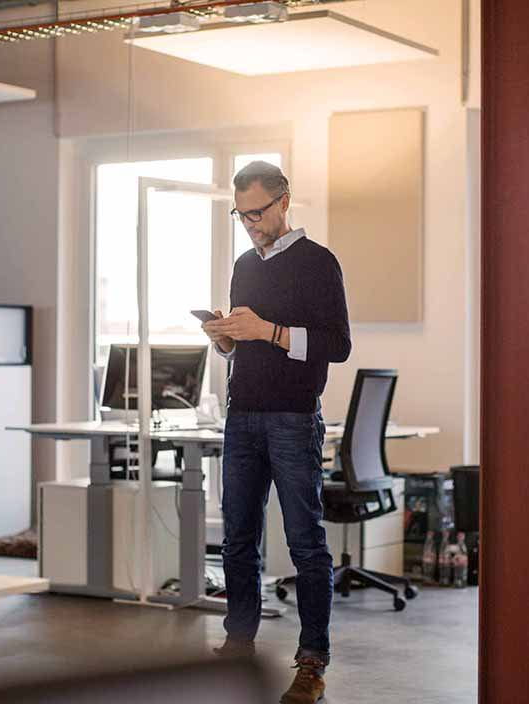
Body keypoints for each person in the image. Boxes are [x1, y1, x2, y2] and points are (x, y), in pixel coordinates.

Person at [202, 161, 351, 704]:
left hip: (293, 417)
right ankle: (238, 643)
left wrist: (266, 330)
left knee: (305, 543)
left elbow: (337, 345)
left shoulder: (318, 264)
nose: (250, 224)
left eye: (258, 213)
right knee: (238, 538)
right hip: (242, 414)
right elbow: (247, 346)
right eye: (241, 215)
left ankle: (312, 661)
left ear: (285, 200)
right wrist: (225, 339)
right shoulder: (244, 264)